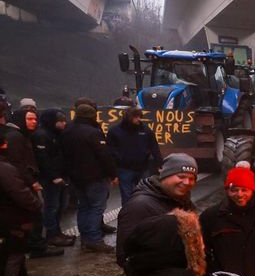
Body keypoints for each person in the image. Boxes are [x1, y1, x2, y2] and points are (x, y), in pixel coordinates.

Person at [116, 153, 198, 268]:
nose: (187, 182)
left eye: (192, 178)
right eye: (181, 176)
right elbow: (124, 255)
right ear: (164, 175)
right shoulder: (139, 206)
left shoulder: (183, 200)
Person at [60, 101, 118, 253]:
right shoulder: (93, 132)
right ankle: (94, 239)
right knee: (96, 208)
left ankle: (85, 237)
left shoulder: (67, 130)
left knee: (84, 207)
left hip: (76, 177)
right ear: (92, 115)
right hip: (95, 176)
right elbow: (103, 155)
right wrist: (113, 173)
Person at [13, 106, 61, 259]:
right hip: (24, 182)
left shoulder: (28, 136)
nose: (33, 122)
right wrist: (32, 181)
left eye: (35, 119)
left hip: (28, 180)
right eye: (29, 119)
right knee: (35, 213)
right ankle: (36, 247)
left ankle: (36, 245)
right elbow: (19, 163)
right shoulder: (17, 137)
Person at [0, 136, 43, 276]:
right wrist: (36, 204)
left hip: (7, 215)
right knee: (15, 252)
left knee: (14, 249)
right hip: (12, 216)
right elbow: (19, 192)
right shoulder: (4, 168)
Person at [31, 109, 73, 248]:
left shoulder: (57, 134)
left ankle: (56, 231)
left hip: (61, 175)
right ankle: (51, 234)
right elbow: (43, 159)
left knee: (61, 205)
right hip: (50, 178)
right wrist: (53, 176)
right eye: (61, 121)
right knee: (52, 206)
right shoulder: (41, 135)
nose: (64, 123)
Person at [107, 107, 163, 204]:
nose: (139, 119)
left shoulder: (146, 130)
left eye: (140, 117)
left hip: (142, 167)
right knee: (127, 196)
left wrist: (159, 164)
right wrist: (113, 172)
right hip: (124, 168)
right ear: (128, 118)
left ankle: (140, 213)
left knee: (144, 193)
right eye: (136, 117)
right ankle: (128, 215)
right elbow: (110, 152)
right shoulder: (114, 132)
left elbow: (154, 147)